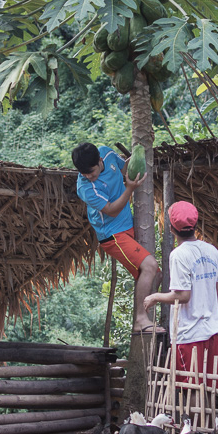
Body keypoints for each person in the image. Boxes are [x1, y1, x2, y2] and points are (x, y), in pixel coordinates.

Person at [72, 142, 163, 334]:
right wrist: (129, 188)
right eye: (84, 174)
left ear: (99, 160)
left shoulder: (107, 153)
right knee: (150, 266)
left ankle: (144, 318)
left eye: (92, 172)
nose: (88, 176)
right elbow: (111, 211)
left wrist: (142, 146)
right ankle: (140, 320)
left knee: (157, 274)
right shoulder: (86, 188)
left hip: (129, 226)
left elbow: (125, 168)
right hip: (113, 235)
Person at [144, 201, 218, 386]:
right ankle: (211, 417)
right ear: (196, 226)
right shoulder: (212, 251)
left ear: (171, 229)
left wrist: (155, 297)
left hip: (190, 334)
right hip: (212, 332)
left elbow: (183, 296)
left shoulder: (179, 255)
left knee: (192, 387)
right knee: (210, 384)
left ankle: (191, 417)